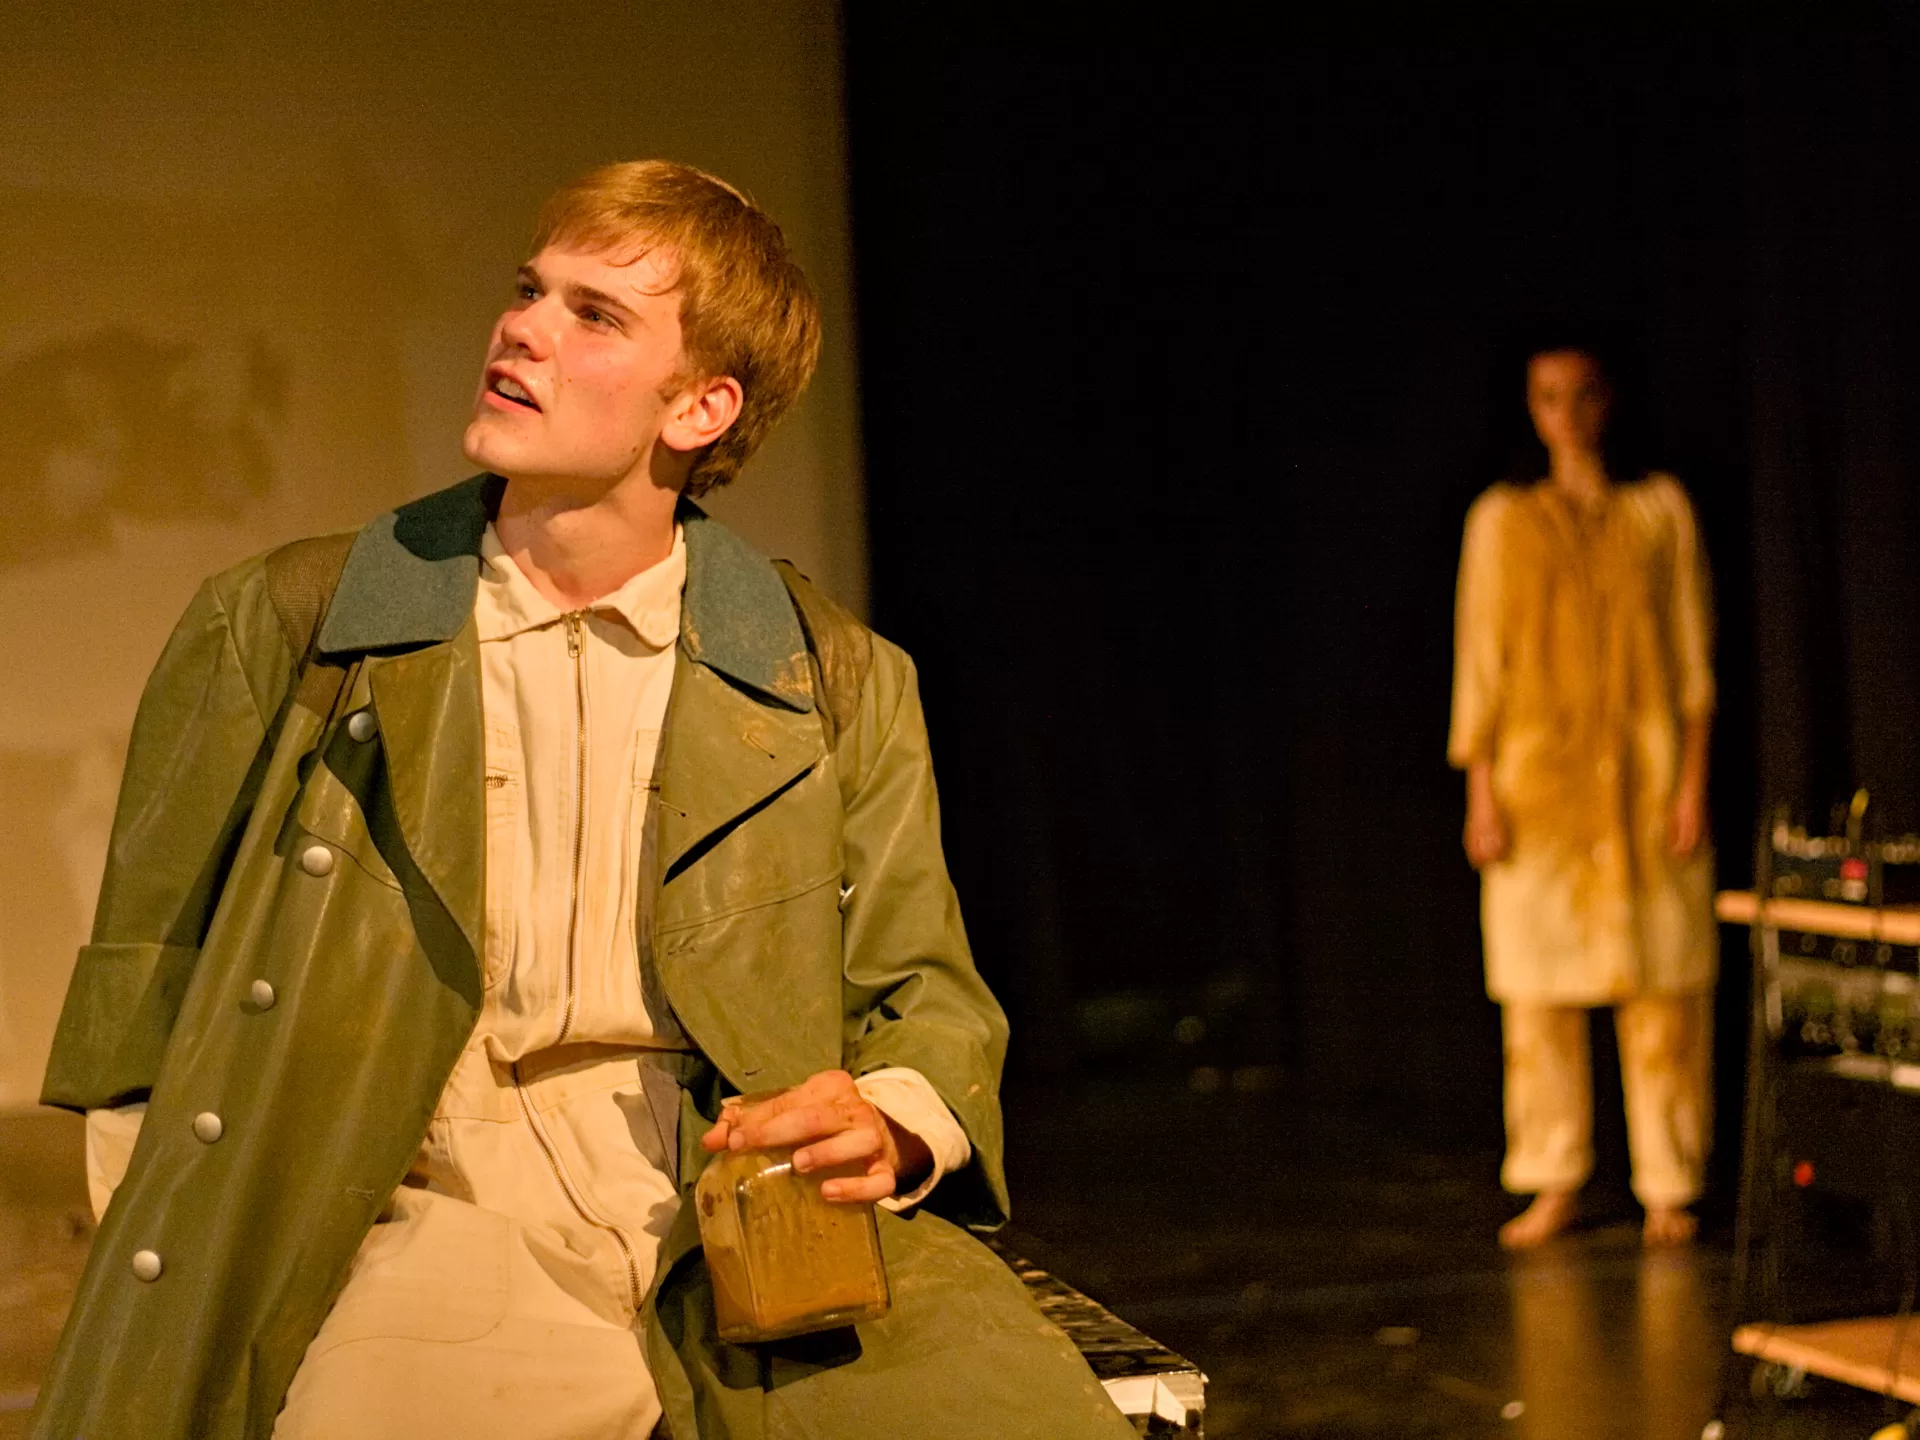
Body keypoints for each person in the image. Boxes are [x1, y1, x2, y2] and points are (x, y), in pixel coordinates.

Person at [30, 160, 1136, 1440]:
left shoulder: (832, 677)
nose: (521, 327)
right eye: (528, 291)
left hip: (734, 1199)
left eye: (595, 315)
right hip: (418, 1189)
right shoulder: (287, 626)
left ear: (702, 407)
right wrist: (190, 1262)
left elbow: (924, 995)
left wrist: (883, 1127)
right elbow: (145, 986)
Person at [1449, 342, 1717, 1250]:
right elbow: (1479, 660)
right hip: (1541, 789)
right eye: (1548, 397)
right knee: (1539, 1000)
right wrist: (1480, 788)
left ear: (1608, 401)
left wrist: (1691, 782)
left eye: (1582, 394)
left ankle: (1669, 1182)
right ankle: (1553, 1174)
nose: (1566, 412)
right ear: (1530, 408)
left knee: (1665, 998)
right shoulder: (1502, 520)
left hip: (1642, 784)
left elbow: (1692, 653)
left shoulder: (1657, 510)